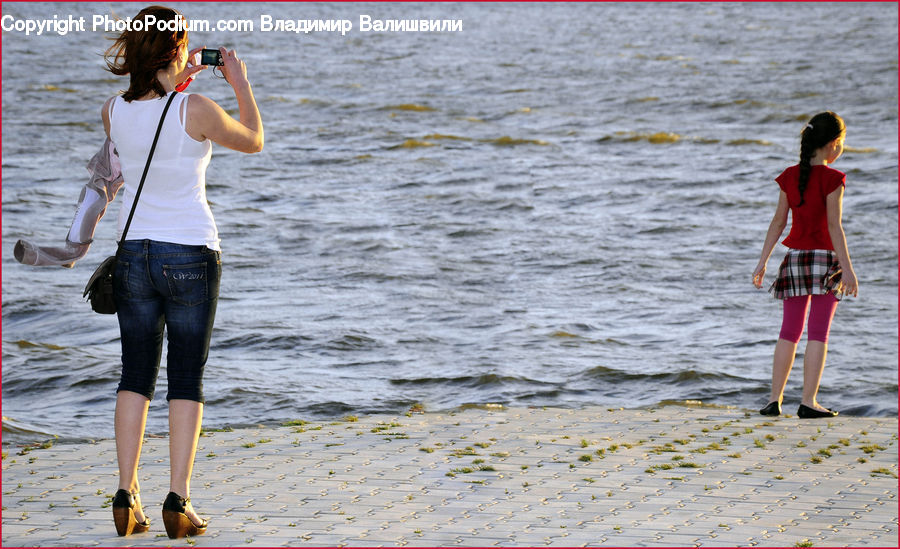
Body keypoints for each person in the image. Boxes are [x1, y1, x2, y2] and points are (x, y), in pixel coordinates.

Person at [102, 5, 263, 538]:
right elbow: (253, 139)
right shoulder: (195, 107)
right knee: (185, 378)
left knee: (135, 375)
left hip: (133, 254)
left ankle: (127, 496)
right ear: (176, 48)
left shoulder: (113, 111)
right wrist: (239, 84)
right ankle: (178, 501)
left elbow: (149, 129)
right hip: (189, 252)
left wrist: (179, 76)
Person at [752, 111, 858, 419]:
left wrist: (763, 261)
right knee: (818, 333)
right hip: (826, 260)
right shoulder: (834, 179)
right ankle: (809, 402)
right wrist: (849, 270)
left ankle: (774, 400)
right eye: (843, 143)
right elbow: (835, 228)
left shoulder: (789, 175)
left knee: (789, 332)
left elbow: (777, 223)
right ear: (833, 144)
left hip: (795, 258)